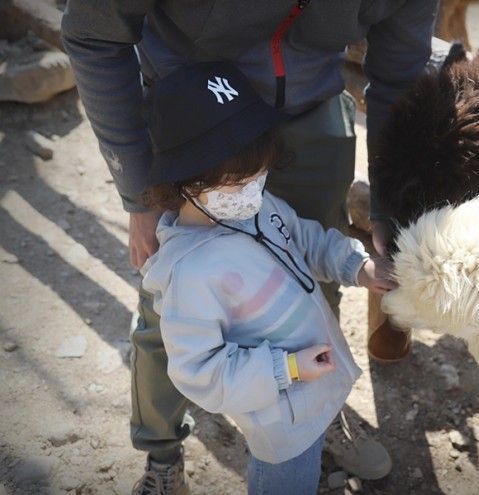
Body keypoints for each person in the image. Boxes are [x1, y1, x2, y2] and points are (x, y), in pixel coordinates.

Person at [61, 1, 437, 492]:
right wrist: (139, 193)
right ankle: (161, 451)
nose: (257, 193)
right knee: (167, 321)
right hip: (192, 122)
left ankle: (313, 417)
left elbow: (401, 70)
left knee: (312, 287)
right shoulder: (189, 267)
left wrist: (387, 208)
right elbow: (95, 31)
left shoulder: (261, 202)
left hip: (309, 108)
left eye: (259, 184)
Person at [138, 62, 395, 494]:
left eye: (260, 175)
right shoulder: (190, 275)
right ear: (184, 180)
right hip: (281, 419)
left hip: (315, 387)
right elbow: (200, 370)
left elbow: (306, 240)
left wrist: (358, 267)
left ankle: (329, 427)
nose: (255, 190)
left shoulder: (252, 204)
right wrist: (287, 369)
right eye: (239, 182)